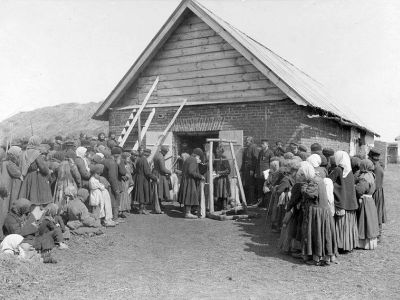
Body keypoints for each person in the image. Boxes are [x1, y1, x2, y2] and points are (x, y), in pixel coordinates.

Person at [297, 161, 337, 265]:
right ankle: (323, 256)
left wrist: (303, 187)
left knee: (316, 233)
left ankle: (317, 257)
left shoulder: (314, 182)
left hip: (317, 212)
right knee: (322, 233)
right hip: (322, 210)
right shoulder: (318, 179)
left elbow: (310, 194)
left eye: (303, 175)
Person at [329, 151, 359, 252]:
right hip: (350, 202)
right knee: (348, 225)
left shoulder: (338, 169)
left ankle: (340, 245)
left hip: (341, 202)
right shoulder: (350, 171)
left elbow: (329, 181)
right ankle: (348, 245)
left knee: (341, 224)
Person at [19, 136, 53, 206]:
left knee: (27, 197)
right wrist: (48, 171)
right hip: (36, 177)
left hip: (27, 176)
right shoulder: (36, 153)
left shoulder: (24, 152)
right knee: (37, 197)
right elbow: (43, 168)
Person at [355, 159, 379, 249]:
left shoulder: (365, 177)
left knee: (365, 221)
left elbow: (360, 190)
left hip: (365, 201)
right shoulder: (371, 175)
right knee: (370, 220)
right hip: (370, 200)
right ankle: (370, 243)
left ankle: (363, 243)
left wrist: (354, 186)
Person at [0, 146, 23, 237]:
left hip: (5, 188)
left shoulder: (4, 162)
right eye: (18, 155)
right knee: (4, 210)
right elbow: (17, 173)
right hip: (5, 190)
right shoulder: (9, 164)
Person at [178, 148, 205, 219]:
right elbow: (191, 171)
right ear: (197, 155)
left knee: (187, 195)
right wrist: (200, 176)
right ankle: (188, 213)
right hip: (189, 181)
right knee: (189, 196)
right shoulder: (193, 160)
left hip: (186, 179)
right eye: (199, 157)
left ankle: (187, 211)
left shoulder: (189, 158)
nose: (199, 158)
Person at [133, 148, 157, 214]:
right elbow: (147, 172)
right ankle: (142, 209)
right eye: (149, 153)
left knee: (141, 193)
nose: (149, 155)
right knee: (143, 193)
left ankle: (141, 208)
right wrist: (155, 178)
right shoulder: (144, 160)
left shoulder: (139, 159)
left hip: (139, 177)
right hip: (143, 179)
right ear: (147, 154)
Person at [368, 148, 386, 242]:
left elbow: (375, 184)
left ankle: (378, 234)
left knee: (376, 212)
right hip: (378, 191)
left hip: (376, 192)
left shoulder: (376, 168)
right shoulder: (378, 166)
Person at [240, 136, 258, 205]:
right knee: (245, 185)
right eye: (246, 140)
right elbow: (244, 160)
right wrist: (241, 169)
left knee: (251, 185)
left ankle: (252, 201)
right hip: (245, 169)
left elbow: (255, 159)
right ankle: (246, 200)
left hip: (250, 169)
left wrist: (252, 169)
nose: (246, 141)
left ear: (251, 141)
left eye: (248, 140)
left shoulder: (254, 147)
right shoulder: (246, 148)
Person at [255, 139, 274, 205]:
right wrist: (256, 172)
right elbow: (258, 163)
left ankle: (267, 203)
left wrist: (270, 174)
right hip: (260, 173)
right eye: (261, 144)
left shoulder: (270, 152)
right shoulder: (260, 152)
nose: (262, 145)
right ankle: (260, 202)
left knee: (266, 187)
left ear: (267, 144)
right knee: (260, 187)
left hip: (267, 173)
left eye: (263, 144)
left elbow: (272, 164)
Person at [213, 146, 230, 211]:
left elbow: (228, 170)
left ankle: (224, 206)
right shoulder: (216, 158)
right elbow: (214, 167)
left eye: (218, 151)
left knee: (224, 193)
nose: (217, 152)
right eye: (216, 151)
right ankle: (219, 206)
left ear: (221, 152)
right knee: (218, 193)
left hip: (223, 179)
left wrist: (219, 173)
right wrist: (214, 172)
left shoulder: (224, 158)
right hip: (217, 178)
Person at [119, 152, 133, 218]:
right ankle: (121, 210)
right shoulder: (121, 164)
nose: (129, 159)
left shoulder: (128, 164)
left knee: (127, 196)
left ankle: (125, 209)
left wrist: (131, 181)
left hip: (128, 182)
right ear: (124, 158)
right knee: (123, 196)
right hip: (123, 182)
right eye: (128, 157)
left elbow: (130, 173)